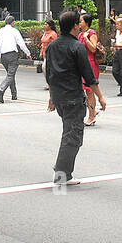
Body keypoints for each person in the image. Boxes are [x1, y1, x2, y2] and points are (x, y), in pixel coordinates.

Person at [47, 10, 97, 187]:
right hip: (73, 98)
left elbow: (50, 74)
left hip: (60, 98)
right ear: (75, 26)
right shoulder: (77, 47)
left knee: (68, 133)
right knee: (72, 136)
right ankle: (62, 175)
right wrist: (101, 98)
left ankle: (63, 173)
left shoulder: (53, 46)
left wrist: (52, 97)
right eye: (79, 23)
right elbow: (89, 77)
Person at [0, 15, 32, 103]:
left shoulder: (0, 31)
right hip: (12, 55)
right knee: (10, 75)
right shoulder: (14, 31)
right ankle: (1, 90)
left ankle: (14, 94)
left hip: (3, 56)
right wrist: (28, 53)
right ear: (13, 22)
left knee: (10, 75)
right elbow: (21, 43)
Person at [80, 12, 107, 126]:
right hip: (82, 64)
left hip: (90, 64)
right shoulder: (80, 34)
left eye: (81, 21)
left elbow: (93, 49)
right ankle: (92, 110)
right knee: (86, 91)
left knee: (90, 90)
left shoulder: (91, 33)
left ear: (86, 22)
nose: (79, 23)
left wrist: (86, 39)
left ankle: (91, 116)